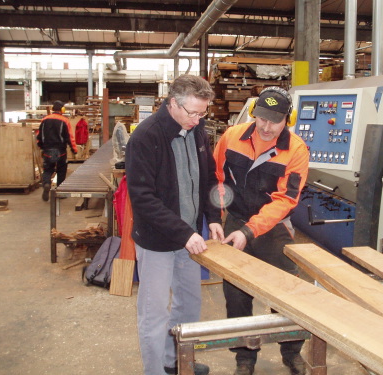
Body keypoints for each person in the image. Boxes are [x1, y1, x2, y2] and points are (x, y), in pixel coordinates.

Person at [125, 74, 225, 375]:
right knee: (154, 314)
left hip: (190, 238)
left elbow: (208, 178)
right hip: (157, 241)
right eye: (191, 113)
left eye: (202, 113)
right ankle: (154, 371)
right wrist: (185, 232)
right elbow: (142, 198)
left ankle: (175, 361)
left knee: (189, 305)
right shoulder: (146, 137)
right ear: (172, 104)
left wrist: (215, 218)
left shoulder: (196, 131)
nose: (196, 119)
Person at [213, 87, 310, 375]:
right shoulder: (232, 137)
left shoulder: (296, 150)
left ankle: (291, 352)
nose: (266, 127)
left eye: (274, 120)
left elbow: (285, 200)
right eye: (262, 119)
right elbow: (217, 177)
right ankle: (244, 358)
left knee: (287, 291)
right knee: (236, 292)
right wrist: (216, 214)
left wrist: (251, 230)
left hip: (274, 226)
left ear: (287, 119)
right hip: (236, 220)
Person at [36, 100, 77, 201]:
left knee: (48, 169)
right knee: (61, 170)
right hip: (60, 150)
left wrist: (41, 146)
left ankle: (46, 184)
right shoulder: (64, 120)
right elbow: (69, 137)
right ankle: (60, 191)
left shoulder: (44, 120)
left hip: (48, 150)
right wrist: (74, 149)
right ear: (62, 109)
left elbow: (39, 135)